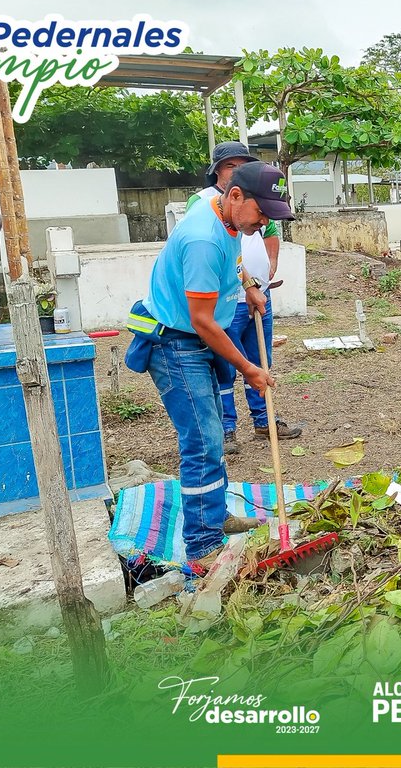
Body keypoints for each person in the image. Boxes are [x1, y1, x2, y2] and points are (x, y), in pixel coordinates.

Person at [133, 161, 291, 571]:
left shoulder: (229, 220)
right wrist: (248, 369)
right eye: (262, 212)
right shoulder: (203, 237)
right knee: (203, 439)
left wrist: (250, 287)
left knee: (213, 436)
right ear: (235, 195)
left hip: (198, 333)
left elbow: (234, 263)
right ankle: (202, 545)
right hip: (177, 342)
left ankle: (214, 516)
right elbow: (202, 321)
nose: (265, 223)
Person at [187, 142, 302, 455]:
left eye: (242, 165)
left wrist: (258, 281)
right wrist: (245, 285)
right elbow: (219, 259)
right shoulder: (204, 208)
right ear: (217, 172)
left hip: (256, 295)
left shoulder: (258, 203)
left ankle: (264, 420)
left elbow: (264, 238)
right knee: (225, 366)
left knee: (260, 361)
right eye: (230, 166)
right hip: (223, 303)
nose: (237, 171)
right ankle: (226, 428)